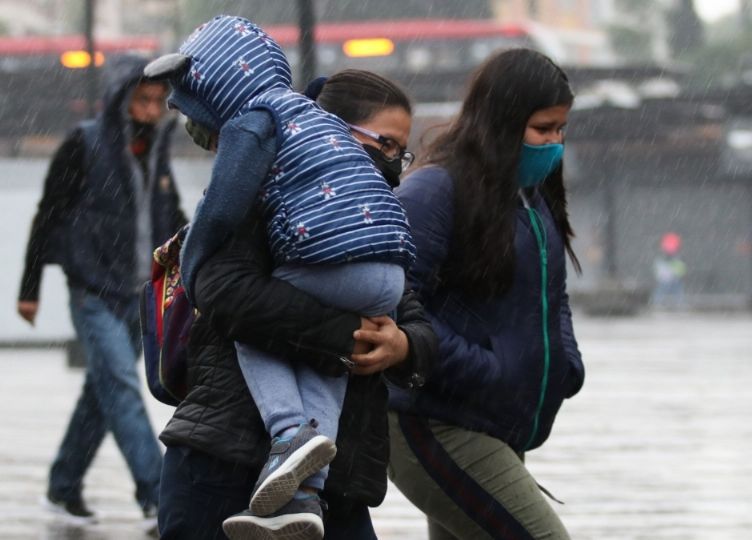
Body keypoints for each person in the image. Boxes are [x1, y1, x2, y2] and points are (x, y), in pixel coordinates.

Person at [144, 16, 415, 537]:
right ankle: (295, 447)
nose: (393, 162)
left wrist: (404, 346)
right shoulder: (266, 184)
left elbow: (419, 313)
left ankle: (299, 460)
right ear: (328, 126)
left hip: (339, 485)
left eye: (400, 150)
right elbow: (226, 295)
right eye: (383, 144)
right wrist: (350, 337)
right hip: (226, 453)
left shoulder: (364, 211)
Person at [388, 48, 585, 539]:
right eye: (543, 129)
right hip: (434, 421)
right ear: (502, 120)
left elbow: (551, 296)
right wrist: (486, 369)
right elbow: (392, 299)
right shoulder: (434, 191)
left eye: (561, 130)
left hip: (492, 422)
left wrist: (567, 365)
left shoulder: (531, 200)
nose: (555, 144)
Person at [16, 54, 187, 528]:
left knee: (103, 393)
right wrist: (29, 288)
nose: (152, 110)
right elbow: (48, 213)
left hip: (137, 295)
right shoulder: (84, 144)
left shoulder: (156, 151)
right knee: (123, 389)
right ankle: (157, 497)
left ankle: (62, 486)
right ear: (120, 99)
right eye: (143, 100)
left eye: (158, 101)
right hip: (92, 289)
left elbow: (171, 218)